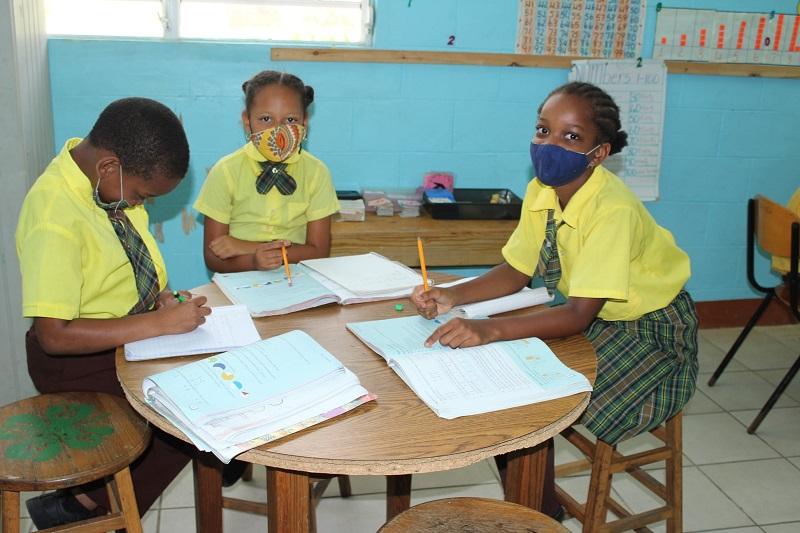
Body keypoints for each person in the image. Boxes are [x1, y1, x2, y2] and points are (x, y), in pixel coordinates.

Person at [410, 81, 699, 519]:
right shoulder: (544, 191)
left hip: (652, 331)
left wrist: (489, 329)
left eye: (571, 137)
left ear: (598, 154)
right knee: (509, 391)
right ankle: (540, 510)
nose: (549, 145)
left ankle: (536, 513)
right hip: (598, 316)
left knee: (533, 401)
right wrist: (452, 295)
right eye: (543, 130)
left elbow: (579, 314)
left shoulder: (612, 210)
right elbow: (515, 271)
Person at [16, 97, 211, 529]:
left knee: (209, 389)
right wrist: (156, 324)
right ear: (109, 168)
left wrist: (160, 300)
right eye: (142, 196)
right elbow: (54, 334)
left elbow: (128, 264)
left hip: (126, 339)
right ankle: (94, 506)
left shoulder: (107, 185)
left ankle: (84, 502)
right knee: (189, 424)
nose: (141, 205)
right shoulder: (55, 216)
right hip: (75, 363)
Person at [194, 70, 340, 273]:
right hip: (239, 279)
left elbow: (318, 251)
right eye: (265, 119)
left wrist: (248, 247)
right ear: (247, 121)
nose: (277, 130)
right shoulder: (225, 171)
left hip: (298, 280)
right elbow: (213, 257)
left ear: (304, 122)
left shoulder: (317, 172)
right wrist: (253, 261)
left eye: (290, 120)